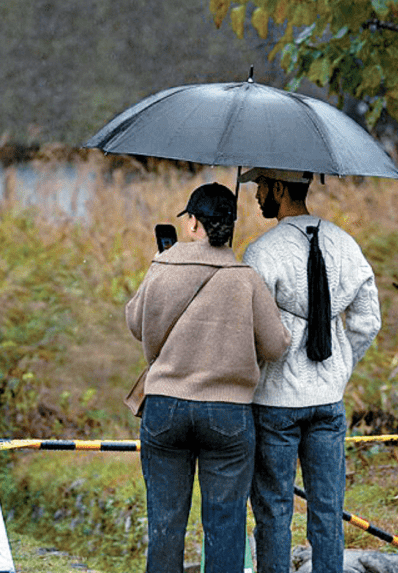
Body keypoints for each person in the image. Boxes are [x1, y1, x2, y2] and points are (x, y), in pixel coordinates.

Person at [126, 182, 290, 573]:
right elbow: (275, 346)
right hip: (228, 414)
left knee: (165, 522)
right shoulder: (245, 277)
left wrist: (158, 266)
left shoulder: (163, 265)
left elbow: (135, 323)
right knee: (225, 524)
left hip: (164, 408)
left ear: (195, 223)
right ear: (229, 228)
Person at [239, 168, 382, 573]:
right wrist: (339, 367)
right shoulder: (346, 244)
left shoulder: (261, 252)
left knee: (273, 511)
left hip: (274, 404)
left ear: (279, 189)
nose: (256, 196)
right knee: (327, 511)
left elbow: (252, 330)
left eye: (261, 187)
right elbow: (367, 321)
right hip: (328, 402)